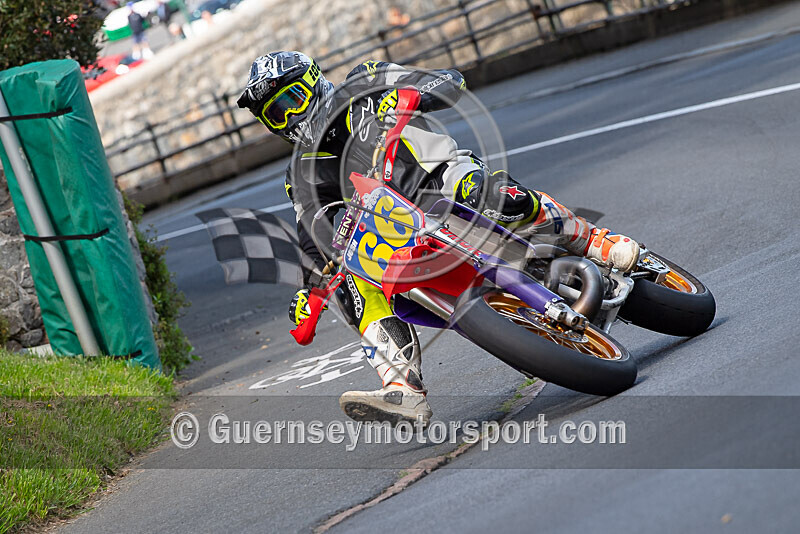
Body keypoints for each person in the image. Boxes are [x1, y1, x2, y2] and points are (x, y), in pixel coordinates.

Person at [237, 51, 640, 426]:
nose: (289, 117)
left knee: (492, 195)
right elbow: (313, 228)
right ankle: (401, 387)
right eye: (275, 114)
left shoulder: (365, 82)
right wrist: (311, 291)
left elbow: (448, 80)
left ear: (314, 82)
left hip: (443, 180)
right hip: (394, 228)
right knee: (349, 285)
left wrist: (410, 94)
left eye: (292, 100)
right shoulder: (301, 172)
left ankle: (594, 240)